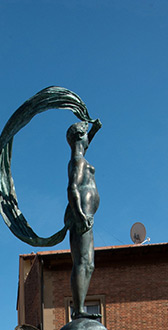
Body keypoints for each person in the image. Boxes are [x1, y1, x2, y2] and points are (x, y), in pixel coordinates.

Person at [63, 119, 101, 317]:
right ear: (80, 137)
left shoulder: (79, 157)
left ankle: (80, 308)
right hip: (82, 217)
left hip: (86, 216)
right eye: (86, 135)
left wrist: (93, 130)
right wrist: (79, 214)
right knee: (82, 261)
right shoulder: (78, 162)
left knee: (89, 264)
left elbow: (83, 144)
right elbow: (72, 188)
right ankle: (78, 310)